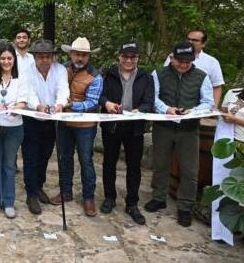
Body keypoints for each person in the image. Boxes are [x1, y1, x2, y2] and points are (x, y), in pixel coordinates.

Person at [145, 41, 214, 227]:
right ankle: (159, 197)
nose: (184, 65)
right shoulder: (159, 73)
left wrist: (192, 111)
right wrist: (167, 109)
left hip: (189, 129)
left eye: (188, 61)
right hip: (163, 127)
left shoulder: (202, 76)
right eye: (180, 61)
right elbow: (153, 97)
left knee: (190, 170)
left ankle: (185, 207)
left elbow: (208, 102)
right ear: (172, 58)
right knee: (160, 164)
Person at [98, 41, 154, 225]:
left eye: (133, 57)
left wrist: (141, 110)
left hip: (135, 126)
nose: (128, 60)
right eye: (125, 56)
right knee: (109, 162)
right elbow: (100, 95)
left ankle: (132, 204)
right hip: (112, 125)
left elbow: (149, 101)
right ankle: (110, 198)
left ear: (138, 58)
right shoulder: (108, 74)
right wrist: (107, 104)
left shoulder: (146, 77)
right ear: (119, 57)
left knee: (133, 166)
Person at [50, 37, 103, 217]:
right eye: (77, 54)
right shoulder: (61, 69)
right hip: (64, 123)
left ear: (88, 56)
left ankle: (88, 197)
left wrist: (71, 105)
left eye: (83, 55)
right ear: (71, 54)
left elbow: (92, 102)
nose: (79, 58)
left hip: (85, 125)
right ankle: (66, 192)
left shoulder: (95, 76)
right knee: (64, 158)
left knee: (86, 161)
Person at [23, 39, 69, 215]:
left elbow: (63, 90)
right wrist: (38, 106)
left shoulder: (60, 70)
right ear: (35, 57)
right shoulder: (27, 71)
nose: (44, 60)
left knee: (45, 155)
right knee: (30, 156)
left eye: (48, 56)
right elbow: (29, 94)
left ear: (53, 57)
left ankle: (39, 186)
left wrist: (59, 104)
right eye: (41, 56)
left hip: (51, 119)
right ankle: (31, 194)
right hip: (33, 118)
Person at [0, 43, 28, 218]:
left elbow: (23, 102)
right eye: (3, 58)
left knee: (9, 165)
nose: (6, 61)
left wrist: (15, 107)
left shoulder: (21, 79)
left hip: (14, 128)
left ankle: (8, 201)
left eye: (9, 58)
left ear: (14, 60)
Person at [212, 88, 244, 244]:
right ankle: (226, 229)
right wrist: (221, 112)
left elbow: (233, 118)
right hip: (231, 145)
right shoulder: (233, 92)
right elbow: (223, 110)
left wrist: (236, 120)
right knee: (229, 188)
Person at [164, 29, 224, 107]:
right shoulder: (172, 57)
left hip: (199, 110)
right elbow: (164, 78)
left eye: (195, 40)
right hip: (170, 108)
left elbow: (216, 86)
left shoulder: (212, 62)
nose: (190, 42)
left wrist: (213, 108)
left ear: (204, 44)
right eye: (188, 39)